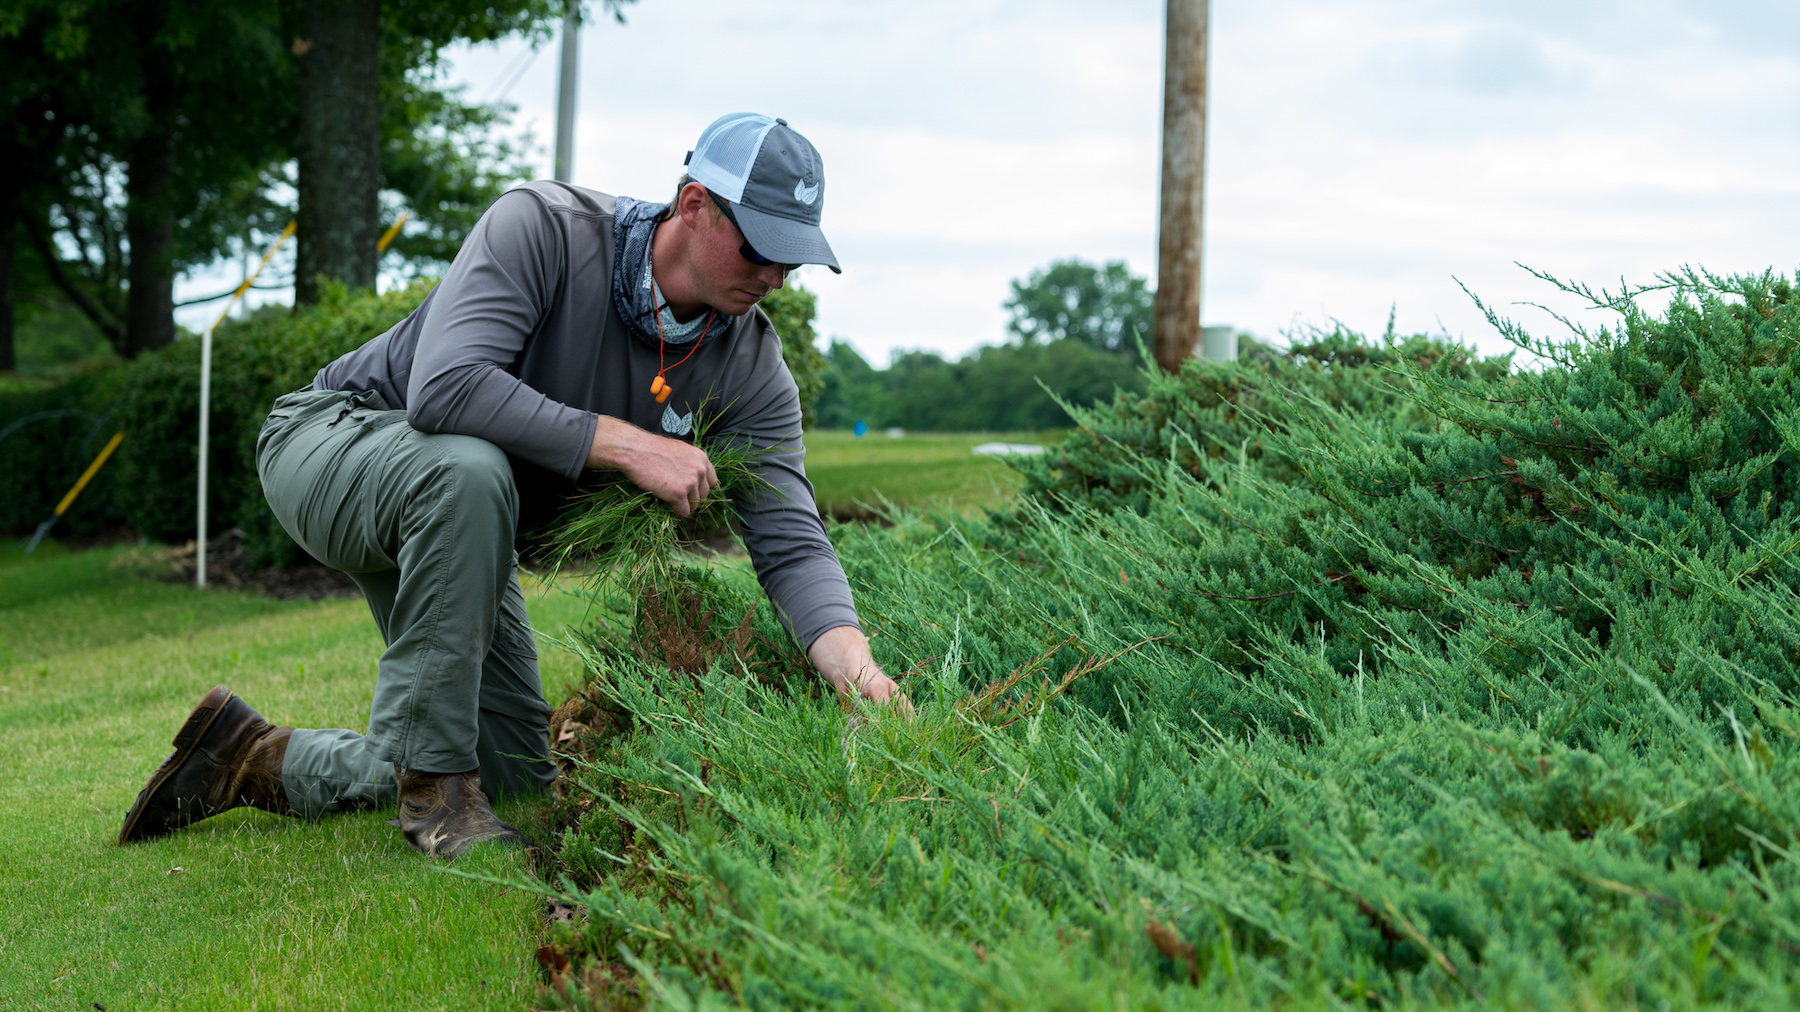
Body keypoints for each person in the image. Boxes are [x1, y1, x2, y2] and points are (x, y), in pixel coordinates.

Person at [118, 113, 903, 859]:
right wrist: (622, 443)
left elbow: (790, 538)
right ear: (694, 205)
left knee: (516, 776)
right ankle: (436, 796)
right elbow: (446, 389)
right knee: (469, 466)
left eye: (792, 259)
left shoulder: (751, 367)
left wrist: (859, 672)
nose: (774, 276)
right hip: (336, 442)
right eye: (760, 247)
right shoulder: (546, 229)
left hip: (464, 522)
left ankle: (247, 756)